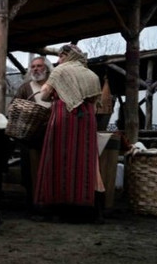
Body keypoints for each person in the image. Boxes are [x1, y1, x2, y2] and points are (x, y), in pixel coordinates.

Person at [34, 44, 104, 222]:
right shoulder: (91, 75)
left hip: (64, 117)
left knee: (58, 158)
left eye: (60, 56)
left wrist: (52, 94)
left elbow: (44, 95)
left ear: (67, 56)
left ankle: (56, 206)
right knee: (84, 161)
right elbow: (95, 100)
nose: (59, 60)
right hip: (87, 120)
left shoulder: (60, 71)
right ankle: (83, 209)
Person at [12, 56, 53, 211]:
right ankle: (32, 203)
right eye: (33, 66)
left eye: (39, 66)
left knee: (49, 169)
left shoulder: (53, 87)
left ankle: (48, 202)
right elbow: (14, 107)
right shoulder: (25, 88)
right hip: (28, 136)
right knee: (29, 170)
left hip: (49, 136)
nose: (36, 69)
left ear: (47, 68)